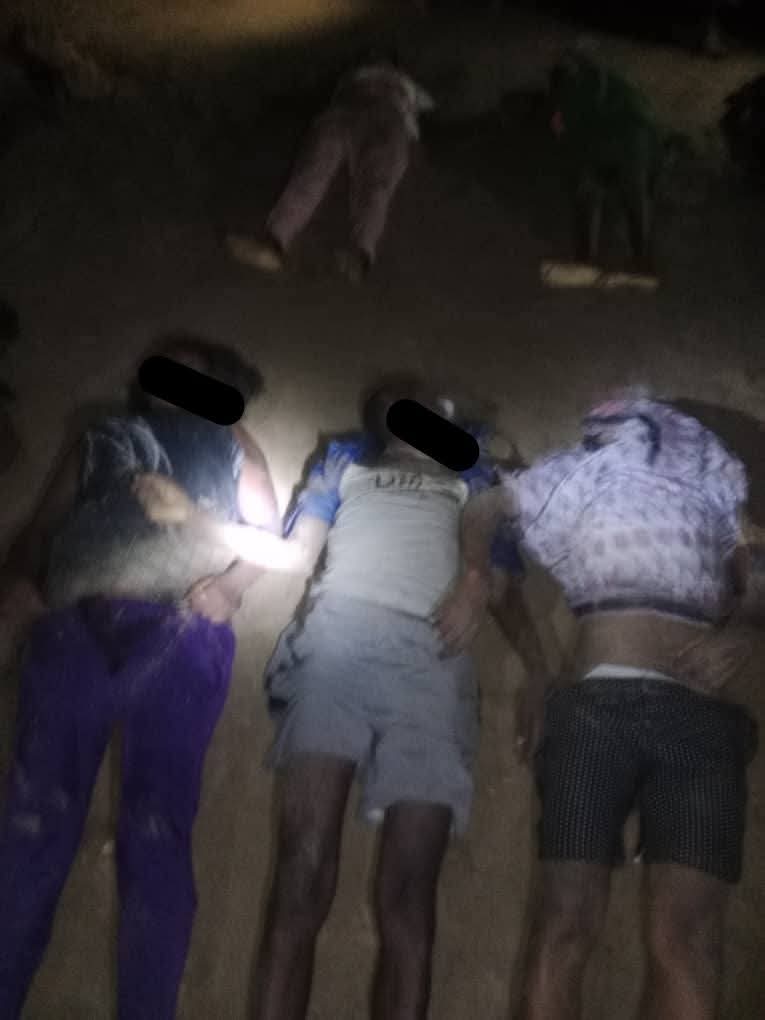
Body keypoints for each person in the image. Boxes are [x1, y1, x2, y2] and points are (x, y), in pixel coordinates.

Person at [134, 378, 546, 1020]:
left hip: (433, 661)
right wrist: (199, 521)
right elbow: (295, 556)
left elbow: (502, 586)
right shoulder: (348, 462)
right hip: (337, 645)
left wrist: (540, 670)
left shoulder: (475, 474)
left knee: (409, 895)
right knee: (300, 874)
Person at [439, 392, 760, 1020]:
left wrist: (745, 627)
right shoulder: (579, 474)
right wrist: (474, 576)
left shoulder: (715, 483)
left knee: (689, 940)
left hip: (699, 720)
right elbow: (484, 506)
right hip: (594, 713)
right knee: (564, 923)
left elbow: (757, 565)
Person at [0, 336, 280, 1020]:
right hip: (74, 626)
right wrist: (19, 585)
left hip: (179, 629)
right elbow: (42, 526)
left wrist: (232, 586)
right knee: (31, 826)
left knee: (155, 830)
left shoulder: (231, 441)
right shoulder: (101, 434)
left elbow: (269, 535)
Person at [226, 55, 435, 284]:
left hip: (372, 114)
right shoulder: (363, 75)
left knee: (360, 184)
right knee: (346, 181)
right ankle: (277, 243)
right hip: (364, 113)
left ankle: (354, 254)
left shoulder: (394, 81)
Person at [543, 49, 665, 290]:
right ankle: (642, 264)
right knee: (634, 199)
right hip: (647, 142)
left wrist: (563, 132)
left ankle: (587, 260)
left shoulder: (571, 88)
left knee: (588, 191)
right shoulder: (605, 80)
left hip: (630, 141)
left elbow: (572, 141)